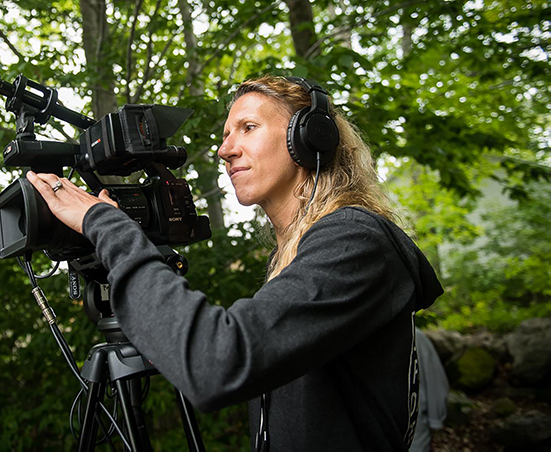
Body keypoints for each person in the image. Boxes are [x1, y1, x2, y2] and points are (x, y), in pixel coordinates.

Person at [26, 75, 444, 451]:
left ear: (310, 137)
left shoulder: (355, 240)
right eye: (226, 135)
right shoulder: (299, 251)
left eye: (248, 127)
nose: (226, 150)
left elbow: (217, 362)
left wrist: (106, 225)